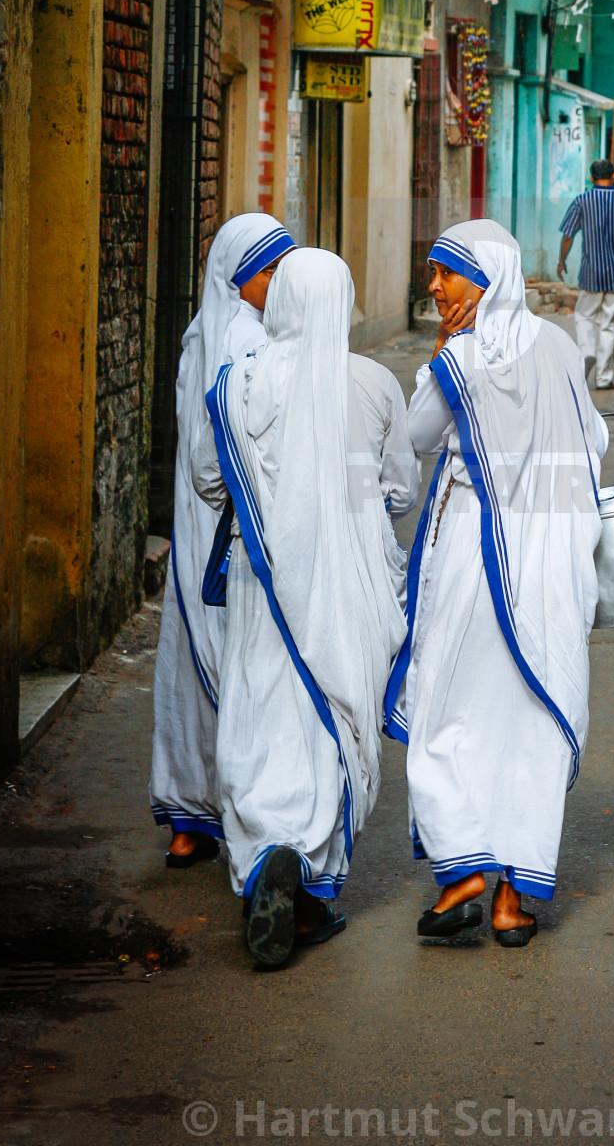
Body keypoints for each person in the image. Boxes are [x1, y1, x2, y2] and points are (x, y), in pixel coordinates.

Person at [193, 248, 415, 967]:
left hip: (265, 580)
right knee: (333, 715)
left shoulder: (239, 385)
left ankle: (264, 851)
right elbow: (401, 489)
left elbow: (204, 480)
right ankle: (309, 883)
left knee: (261, 709)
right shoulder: (375, 382)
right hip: (349, 580)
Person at [391, 219, 608, 946]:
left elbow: (415, 438)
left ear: (484, 282)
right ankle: (515, 902)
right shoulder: (556, 345)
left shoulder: (461, 356)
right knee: (531, 721)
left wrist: (438, 359)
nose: (434, 285)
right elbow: (596, 440)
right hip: (550, 560)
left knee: (448, 708)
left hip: (474, 554)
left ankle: (461, 875)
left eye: (446, 273)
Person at [149, 213, 296, 867]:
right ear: (237, 280)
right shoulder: (249, 341)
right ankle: (249, 819)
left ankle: (188, 818)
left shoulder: (200, 337)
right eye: (270, 271)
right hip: (234, 525)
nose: (281, 283)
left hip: (199, 523)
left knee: (193, 660)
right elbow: (220, 459)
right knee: (245, 667)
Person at [557, 159, 614, 391]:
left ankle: (586, 352)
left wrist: (561, 261)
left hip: (591, 272)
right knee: (610, 325)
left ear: (591, 178)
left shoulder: (582, 201)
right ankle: (604, 378)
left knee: (584, 316)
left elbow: (568, 235)